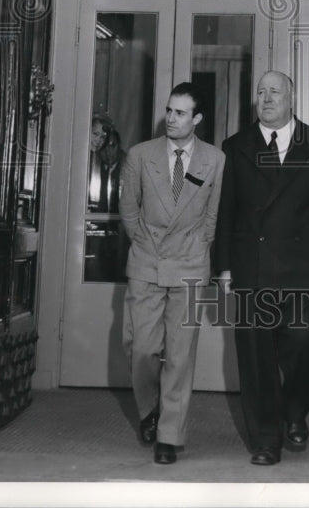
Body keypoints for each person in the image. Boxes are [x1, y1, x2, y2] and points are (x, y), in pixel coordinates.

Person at [214, 70, 309, 466]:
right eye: (260, 91)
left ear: (292, 98)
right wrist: (223, 266)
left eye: (274, 91)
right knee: (256, 358)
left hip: (305, 267)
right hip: (252, 266)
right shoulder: (236, 146)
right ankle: (265, 440)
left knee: (306, 341)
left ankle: (296, 405)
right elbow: (227, 212)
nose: (266, 98)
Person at [119, 82, 225, 465]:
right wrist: (146, 244)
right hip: (147, 262)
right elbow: (129, 211)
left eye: (181, 113)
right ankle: (149, 411)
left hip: (190, 266)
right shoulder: (139, 155)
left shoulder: (215, 159)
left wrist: (197, 247)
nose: (172, 118)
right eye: (169, 110)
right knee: (142, 349)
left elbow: (212, 217)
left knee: (181, 356)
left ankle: (170, 434)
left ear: (197, 118)